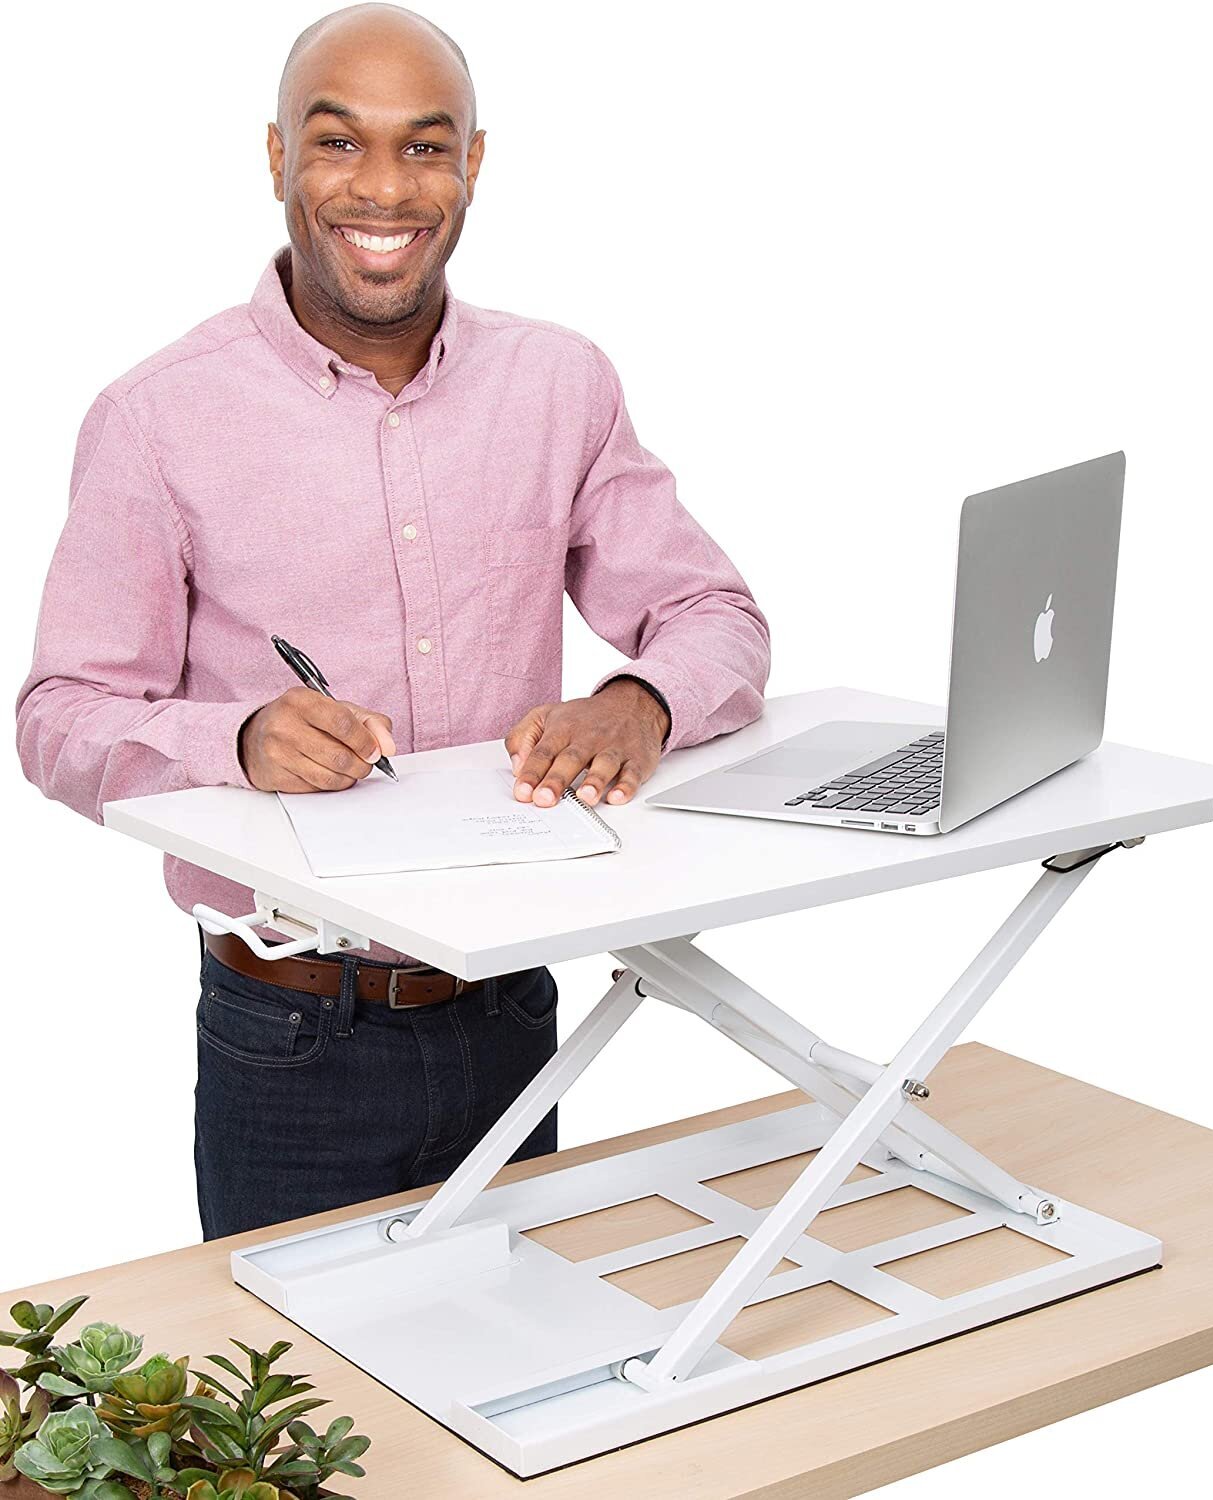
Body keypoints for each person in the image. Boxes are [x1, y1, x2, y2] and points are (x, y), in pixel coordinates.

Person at [14, 4, 769, 1240]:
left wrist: (640, 701)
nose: (382, 188)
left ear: (473, 163)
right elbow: (58, 719)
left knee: (525, 1392)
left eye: (425, 147)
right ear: (274, 160)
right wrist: (238, 739)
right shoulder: (157, 418)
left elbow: (712, 613)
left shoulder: (560, 383)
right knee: (295, 1417)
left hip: (515, 999)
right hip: (294, 1032)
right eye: (337, 143)